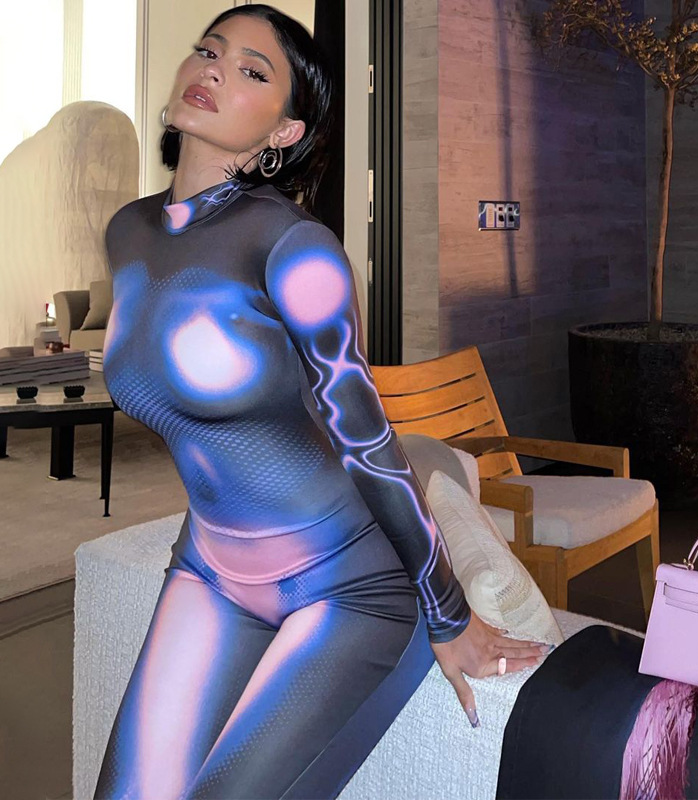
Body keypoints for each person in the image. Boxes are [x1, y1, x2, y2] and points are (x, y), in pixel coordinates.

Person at [93, 6, 550, 798]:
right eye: (209, 50)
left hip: (348, 583)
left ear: (284, 131)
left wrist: (448, 613)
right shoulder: (127, 232)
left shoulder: (294, 246)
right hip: (210, 568)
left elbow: (366, 440)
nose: (213, 69)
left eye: (252, 70)